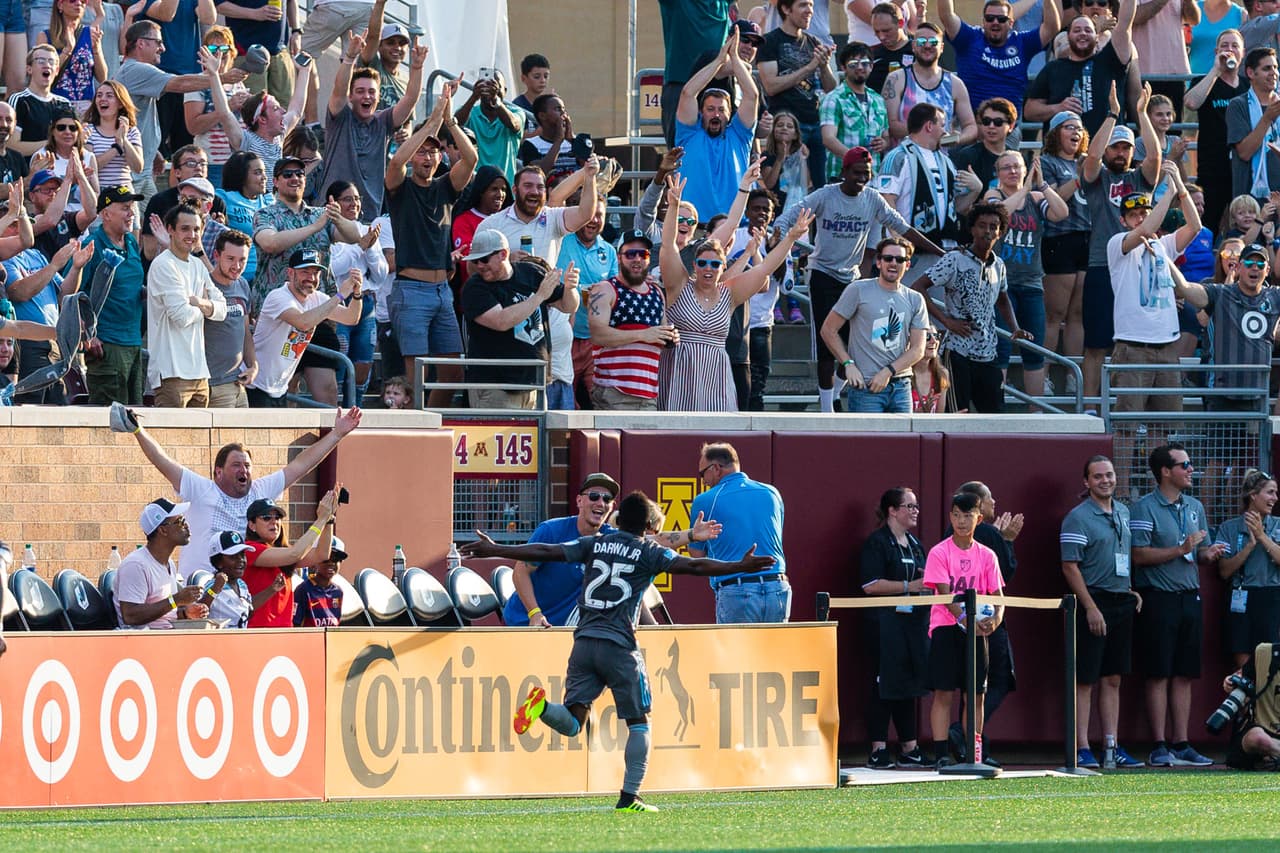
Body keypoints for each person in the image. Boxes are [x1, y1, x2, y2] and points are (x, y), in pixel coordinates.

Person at [462, 489, 774, 812]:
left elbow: (547, 551)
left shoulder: (594, 544)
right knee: (639, 722)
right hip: (620, 646)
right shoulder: (648, 551)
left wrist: (494, 548)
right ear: (646, 527)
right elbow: (694, 568)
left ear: (618, 520)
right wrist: (739, 565)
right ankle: (630, 797)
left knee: (572, 722)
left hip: (583, 644)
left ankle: (541, 709)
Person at [112, 399, 363, 578]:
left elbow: (301, 465)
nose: (244, 471)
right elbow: (163, 461)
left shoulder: (260, 491)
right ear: (218, 472)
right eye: (236, 465)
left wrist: (336, 435)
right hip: (199, 585)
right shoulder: (201, 489)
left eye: (247, 465)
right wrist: (138, 430)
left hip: (240, 589)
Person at [658, 176, 811, 412]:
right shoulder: (679, 286)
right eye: (702, 262)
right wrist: (674, 206)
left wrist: (791, 238)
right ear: (695, 266)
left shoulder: (728, 294)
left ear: (723, 267)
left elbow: (765, 268)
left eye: (715, 264)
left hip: (717, 377)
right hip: (679, 374)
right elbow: (668, 244)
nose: (708, 268)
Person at [1131, 443, 1225, 767]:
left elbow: (1200, 551)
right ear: (1165, 472)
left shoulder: (1195, 506)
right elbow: (1138, 555)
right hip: (1158, 598)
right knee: (1158, 673)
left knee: (1184, 673)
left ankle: (1182, 742)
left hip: (1190, 597)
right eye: (1184, 464)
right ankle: (1159, 744)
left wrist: (1208, 554)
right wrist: (1180, 548)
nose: (1191, 469)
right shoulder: (1144, 508)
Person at [386, 78, 477, 404]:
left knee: (453, 371)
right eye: (422, 151)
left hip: (443, 291)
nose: (427, 157)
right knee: (417, 374)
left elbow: (471, 161)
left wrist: (450, 121)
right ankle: (415, 427)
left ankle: (430, 421)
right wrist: (433, 120)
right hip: (411, 289)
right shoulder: (400, 186)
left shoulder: (445, 187)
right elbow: (396, 162)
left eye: (433, 152)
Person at [1060, 455, 1147, 769]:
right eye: (1097, 476)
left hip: (1120, 601)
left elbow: (1120, 557)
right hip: (1091, 602)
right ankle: (1081, 746)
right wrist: (1091, 607)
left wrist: (1128, 590)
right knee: (1085, 679)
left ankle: (1111, 744)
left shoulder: (1123, 511)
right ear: (1086, 482)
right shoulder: (1077, 518)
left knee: (1113, 678)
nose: (1105, 480)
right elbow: (1070, 566)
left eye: (1109, 475)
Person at [1080, 83, 1162, 406]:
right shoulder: (1099, 179)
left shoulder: (1139, 180)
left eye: (1126, 148)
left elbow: (1155, 156)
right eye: (1116, 148)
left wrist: (1141, 113)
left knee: (1130, 343)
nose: (1120, 153)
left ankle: (1124, 407)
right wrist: (1113, 115)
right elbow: (1092, 156)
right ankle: (1088, 408)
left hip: (1138, 269)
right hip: (1102, 265)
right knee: (1096, 343)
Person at [912, 201, 1033, 413]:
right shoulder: (954, 260)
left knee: (994, 416)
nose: (987, 231)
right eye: (982, 225)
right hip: (958, 351)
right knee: (957, 414)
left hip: (988, 351)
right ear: (972, 229)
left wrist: (1015, 328)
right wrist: (947, 321)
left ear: (1000, 232)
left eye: (993, 226)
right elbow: (918, 287)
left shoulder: (999, 265)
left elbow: (1003, 299)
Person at [925, 491, 1005, 768]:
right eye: (956, 515)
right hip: (947, 629)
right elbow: (945, 595)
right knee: (944, 692)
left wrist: (995, 619)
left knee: (976, 693)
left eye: (967, 515)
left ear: (979, 518)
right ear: (950, 517)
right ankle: (941, 755)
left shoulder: (988, 555)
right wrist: (964, 618)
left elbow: (997, 595)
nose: (961, 521)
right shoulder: (939, 552)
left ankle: (974, 753)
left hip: (978, 632)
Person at [459, 230, 580, 409]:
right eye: (475, 261)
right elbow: (501, 321)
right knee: (498, 438)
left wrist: (570, 289)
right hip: (497, 387)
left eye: (484, 259)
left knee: (538, 438)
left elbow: (568, 306)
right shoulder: (474, 288)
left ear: (503, 254)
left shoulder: (531, 272)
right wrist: (538, 297)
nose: (480, 266)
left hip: (536, 385)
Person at [315, 31, 424, 224]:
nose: (367, 96)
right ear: (351, 97)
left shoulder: (383, 121)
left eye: (372, 92)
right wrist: (349, 58)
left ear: (378, 97)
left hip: (369, 216)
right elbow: (339, 90)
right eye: (360, 91)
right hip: (331, 213)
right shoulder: (340, 117)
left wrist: (417, 68)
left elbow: (409, 100)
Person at [985, 152, 1070, 398]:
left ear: (1025, 170)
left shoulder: (1036, 197)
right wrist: (1025, 188)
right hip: (1001, 285)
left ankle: (1037, 413)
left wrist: (1041, 185)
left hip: (1032, 283)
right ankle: (995, 409)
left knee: (1034, 351)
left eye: (1017, 167)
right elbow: (1000, 214)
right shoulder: (994, 195)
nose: (1012, 171)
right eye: (1006, 167)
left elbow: (1061, 212)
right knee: (1000, 348)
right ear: (998, 173)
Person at [860, 487, 931, 769]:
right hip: (884, 625)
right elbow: (870, 585)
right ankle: (878, 748)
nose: (915, 511)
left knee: (908, 685)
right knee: (883, 684)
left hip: (912, 625)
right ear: (892, 510)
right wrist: (908, 586)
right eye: (909, 506)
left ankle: (909, 747)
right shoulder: (877, 543)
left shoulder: (915, 545)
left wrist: (928, 586)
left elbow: (925, 581)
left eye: (916, 506)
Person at [820, 235, 928, 413]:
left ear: (907, 265)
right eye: (888, 258)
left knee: (904, 441)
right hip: (865, 387)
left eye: (900, 259)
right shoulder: (858, 289)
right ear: (878, 262)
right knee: (866, 441)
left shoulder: (915, 299)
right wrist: (848, 364)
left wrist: (887, 372)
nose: (893, 263)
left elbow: (918, 349)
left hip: (901, 386)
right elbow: (828, 330)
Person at [112, 25, 219, 202]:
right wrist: (219, 78)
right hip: (130, 175)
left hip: (143, 173)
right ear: (141, 43)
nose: (163, 48)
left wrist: (153, 152)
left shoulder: (135, 70)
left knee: (151, 222)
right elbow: (180, 84)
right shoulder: (134, 69)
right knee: (132, 226)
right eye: (158, 42)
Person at [688, 441, 789, 624]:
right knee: (775, 653)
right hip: (778, 587)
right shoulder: (772, 492)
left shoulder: (705, 500)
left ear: (716, 468)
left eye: (703, 473)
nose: (703, 480)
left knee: (735, 653)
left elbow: (696, 554)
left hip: (737, 589)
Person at [248, 248, 364, 407]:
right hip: (255, 385)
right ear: (290, 273)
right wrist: (339, 296)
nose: (311, 278)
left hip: (278, 388)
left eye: (316, 273)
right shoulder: (278, 296)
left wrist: (357, 294)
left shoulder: (317, 298)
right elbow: (303, 323)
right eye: (305, 272)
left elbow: (351, 318)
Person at [1173, 241, 1280, 413]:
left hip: (1257, 395)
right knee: (1220, 440)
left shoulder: (1275, 296)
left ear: (1267, 271)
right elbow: (1184, 288)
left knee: (1255, 441)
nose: (1255, 268)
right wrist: (1164, 255)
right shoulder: (1221, 292)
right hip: (1221, 394)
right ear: (1238, 267)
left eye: (1260, 264)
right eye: (1249, 263)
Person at [674, 30, 758, 225]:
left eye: (721, 110)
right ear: (701, 112)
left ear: (730, 115)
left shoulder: (740, 135)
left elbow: (751, 96)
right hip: (693, 226)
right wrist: (720, 60)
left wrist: (735, 57)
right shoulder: (689, 133)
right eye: (710, 109)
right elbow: (687, 93)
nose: (716, 114)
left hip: (734, 226)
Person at [204, 43, 312, 194]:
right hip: (251, 206)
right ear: (261, 119)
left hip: (272, 206)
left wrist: (305, 71)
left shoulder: (278, 137)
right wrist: (214, 75)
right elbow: (225, 113)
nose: (282, 111)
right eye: (275, 108)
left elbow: (296, 111)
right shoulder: (245, 141)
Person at [587, 230, 677, 411]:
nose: (637, 258)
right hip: (614, 391)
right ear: (619, 257)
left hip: (649, 393)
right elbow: (598, 335)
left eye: (642, 254)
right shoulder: (605, 289)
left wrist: (670, 337)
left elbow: (659, 335)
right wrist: (644, 334)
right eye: (630, 254)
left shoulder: (657, 293)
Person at [146, 204, 226, 407]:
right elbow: (181, 316)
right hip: (171, 373)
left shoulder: (198, 265)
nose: (192, 234)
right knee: (170, 439)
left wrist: (198, 302)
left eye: (196, 229)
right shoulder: (163, 264)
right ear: (170, 230)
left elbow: (223, 310)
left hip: (200, 375)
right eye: (185, 228)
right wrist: (209, 308)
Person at [936, 0, 1060, 130]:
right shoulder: (969, 38)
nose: (995, 22)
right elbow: (947, 15)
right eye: (990, 18)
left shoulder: (1022, 42)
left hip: (1007, 128)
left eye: (1001, 19)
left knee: (1010, 150)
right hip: (971, 127)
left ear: (1011, 23)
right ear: (983, 21)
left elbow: (1051, 28)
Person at [876, 104, 963, 281]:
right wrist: (901, 245)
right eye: (942, 125)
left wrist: (975, 189)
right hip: (914, 252)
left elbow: (955, 207)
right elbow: (886, 201)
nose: (945, 132)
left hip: (943, 250)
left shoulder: (946, 160)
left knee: (939, 307)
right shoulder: (897, 157)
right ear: (929, 126)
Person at [1025, 0, 1137, 135]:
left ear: (1097, 37)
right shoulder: (1053, 68)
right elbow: (1030, 111)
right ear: (1068, 36)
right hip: (1063, 152)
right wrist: (1058, 108)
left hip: (1105, 149)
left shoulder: (1111, 60)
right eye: (1077, 30)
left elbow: (1125, 23)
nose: (1082, 33)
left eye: (1088, 30)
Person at [757, 0, 836, 188]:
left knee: (820, 188)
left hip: (814, 124)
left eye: (811, 5)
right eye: (803, 5)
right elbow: (771, 86)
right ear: (786, 9)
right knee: (786, 190)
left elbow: (831, 88)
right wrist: (809, 67)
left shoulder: (813, 42)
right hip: (787, 127)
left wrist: (824, 66)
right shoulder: (770, 41)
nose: (809, 10)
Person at [80, 184, 146, 405]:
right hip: (106, 346)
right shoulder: (92, 246)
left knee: (134, 418)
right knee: (109, 423)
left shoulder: (130, 242)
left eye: (132, 208)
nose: (132, 213)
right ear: (106, 214)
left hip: (134, 342)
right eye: (125, 208)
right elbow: (71, 295)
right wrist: (88, 334)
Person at [1040, 112, 1092, 376]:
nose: (1076, 133)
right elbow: (1052, 198)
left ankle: (1075, 375)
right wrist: (1078, 177)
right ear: (1055, 132)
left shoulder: (1087, 162)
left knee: (1078, 313)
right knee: (1055, 313)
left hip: (1087, 238)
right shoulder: (1046, 162)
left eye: (1080, 129)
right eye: (1069, 127)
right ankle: (1045, 372)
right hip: (1059, 238)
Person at [1213, 471, 1280, 668]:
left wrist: (1261, 536)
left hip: (1271, 596)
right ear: (1253, 495)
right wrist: (1248, 547)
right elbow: (1224, 571)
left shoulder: (1277, 525)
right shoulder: (1229, 528)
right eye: (1270, 492)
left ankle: (1265, 700)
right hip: (1240, 596)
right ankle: (1247, 698)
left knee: (1269, 660)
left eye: (1275, 493)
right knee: (1243, 663)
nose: (1274, 498)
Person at [242, 490, 337, 628]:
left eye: (278, 517)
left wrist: (329, 520)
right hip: (258, 632)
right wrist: (320, 519)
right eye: (266, 518)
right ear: (252, 525)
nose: (274, 522)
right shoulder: (249, 548)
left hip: (284, 631)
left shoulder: (283, 551)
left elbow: (322, 554)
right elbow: (295, 554)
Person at [326, 181, 384, 403]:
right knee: (341, 361)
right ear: (334, 202)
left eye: (357, 199)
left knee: (363, 365)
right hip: (340, 302)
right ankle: (338, 412)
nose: (354, 204)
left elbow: (380, 274)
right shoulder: (328, 230)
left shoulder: (364, 228)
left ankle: (356, 409)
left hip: (366, 301)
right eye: (347, 199)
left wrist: (368, 248)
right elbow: (334, 268)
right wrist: (360, 246)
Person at [115, 498, 209, 629]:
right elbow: (130, 615)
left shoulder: (169, 563)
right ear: (163, 530)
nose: (186, 525)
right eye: (180, 521)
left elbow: (164, 616)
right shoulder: (136, 565)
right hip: (145, 643)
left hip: (167, 637)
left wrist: (185, 613)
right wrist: (176, 600)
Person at [882, 22, 978, 144]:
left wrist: (954, 140)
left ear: (942, 47)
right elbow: (891, 126)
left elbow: (971, 126)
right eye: (921, 41)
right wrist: (932, 133)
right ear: (913, 46)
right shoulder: (896, 79)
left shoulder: (955, 84)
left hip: (940, 158)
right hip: (905, 158)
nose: (927, 46)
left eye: (933, 42)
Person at [657, 0, 733, 146]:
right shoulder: (677, 3)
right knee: (679, 153)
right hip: (680, 84)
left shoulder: (722, 3)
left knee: (720, 147)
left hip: (717, 87)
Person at [183, 25, 249, 190]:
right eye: (213, 47)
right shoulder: (198, 82)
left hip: (239, 162)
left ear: (232, 52)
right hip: (212, 164)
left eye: (225, 47)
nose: (219, 52)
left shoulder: (238, 84)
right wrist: (229, 106)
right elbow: (193, 126)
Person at [820, 40, 889, 184]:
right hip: (842, 178)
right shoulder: (834, 98)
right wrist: (855, 158)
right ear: (843, 67)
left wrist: (883, 143)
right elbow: (828, 139)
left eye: (864, 63)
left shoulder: (878, 100)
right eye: (853, 64)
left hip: (873, 178)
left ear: (871, 66)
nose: (859, 67)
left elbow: (886, 137)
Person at [204, 229, 256, 408]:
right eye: (230, 259)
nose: (237, 266)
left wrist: (253, 365)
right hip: (213, 384)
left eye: (242, 260)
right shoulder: (205, 285)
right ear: (217, 255)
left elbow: (245, 331)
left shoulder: (242, 285)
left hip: (238, 382)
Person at [215, 0, 294, 105]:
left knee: (284, 109)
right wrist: (254, 13)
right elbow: (218, 5)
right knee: (252, 108)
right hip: (247, 52)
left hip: (280, 51)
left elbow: (291, 2)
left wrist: (297, 30)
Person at [36, 0, 108, 113]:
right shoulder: (45, 36)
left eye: (83, 1)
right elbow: (42, 75)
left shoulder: (90, 33)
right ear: (60, 5)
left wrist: (96, 49)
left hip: (86, 107)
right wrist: (67, 51)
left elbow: (102, 77)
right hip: (56, 104)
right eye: (72, 0)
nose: (79, 3)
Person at [1227, 47, 1280, 200]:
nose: (1273, 73)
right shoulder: (1238, 105)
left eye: (1275, 68)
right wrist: (1267, 118)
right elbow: (1244, 152)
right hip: (1251, 200)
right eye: (1267, 68)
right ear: (1250, 73)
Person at [454, 71, 524, 183]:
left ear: (504, 91)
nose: (491, 91)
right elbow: (455, 124)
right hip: (475, 189)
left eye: (496, 86)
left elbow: (514, 125)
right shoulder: (470, 112)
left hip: (506, 189)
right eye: (486, 86)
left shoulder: (516, 112)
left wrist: (496, 100)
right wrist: (473, 97)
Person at [7, 45, 74, 157]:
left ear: (57, 70)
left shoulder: (65, 104)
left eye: (51, 61)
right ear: (29, 69)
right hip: (30, 171)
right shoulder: (19, 100)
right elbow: (12, 146)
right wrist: (53, 143)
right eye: (41, 61)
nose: (47, 65)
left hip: (60, 171)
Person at [217, 151, 271, 283]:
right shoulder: (223, 197)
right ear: (241, 176)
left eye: (264, 172)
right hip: (237, 277)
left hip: (266, 278)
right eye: (257, 173)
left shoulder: (269, 200)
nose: (264, 177)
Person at [950, 97, 1019, 199]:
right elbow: (959, 202)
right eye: (986, 121)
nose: (991, 126)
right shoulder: (967, 156)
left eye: (998, 122)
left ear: (1011, 126)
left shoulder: (1016, 158)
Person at [84, 80, 144, 192]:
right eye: (99, 95)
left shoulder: (132, 131)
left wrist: (123, 139)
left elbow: (137, 167)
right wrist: (117, 148)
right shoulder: (88, 130)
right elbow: (91, 167)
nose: (103, 99)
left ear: (120, 103)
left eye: (109, 96)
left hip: (124, 192)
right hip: (97, 192)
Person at [197, 529, 255, 628]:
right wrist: (215, 589)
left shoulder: (242, 585)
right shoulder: (212, 584)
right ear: (218, 562)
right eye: (233, 557)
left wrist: (272, 589)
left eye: (242, 555)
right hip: (219, 640)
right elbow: (198, 611)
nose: (240, 560)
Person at [359, 2, 411, 111]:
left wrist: (406, 129)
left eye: (402, 44)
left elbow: (408, 120)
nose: (397, 47)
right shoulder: (371, 66)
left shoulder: (407, 80)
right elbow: (373, 36)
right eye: (391, 42)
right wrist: (380, 3)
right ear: (379, 46)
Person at [293, 535, 347, 627]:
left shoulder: (338, 592)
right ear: (313, 562)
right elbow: (295, 624)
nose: (331, 563)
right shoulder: (303, 590)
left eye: (336, 559)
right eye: (325, 560)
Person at [866, 1, 915, 94]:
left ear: (900, 23)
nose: (882, 37)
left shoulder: (919, 52)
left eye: (886, 31)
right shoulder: (871, 56)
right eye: (877, 31)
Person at [912, 326, 951, 412]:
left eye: (936, 336)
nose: (934, 341)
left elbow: (939, 417)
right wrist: (920, 412)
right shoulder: (903, 375)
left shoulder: (942, 374)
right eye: (927, 337)